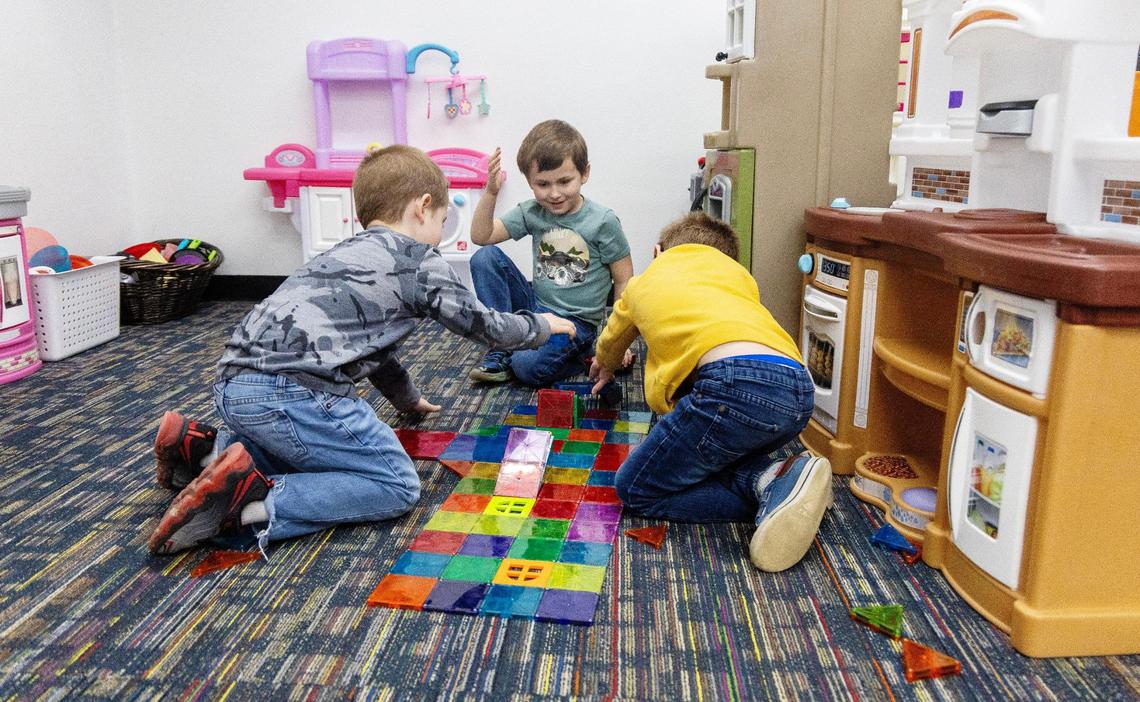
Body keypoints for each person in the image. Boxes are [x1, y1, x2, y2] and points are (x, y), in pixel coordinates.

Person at [147, 145, 577, 556]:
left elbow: (372, 349)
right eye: (443, 219)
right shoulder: (418, 262)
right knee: (394, 484)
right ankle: (250, 507)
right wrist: (541, 325)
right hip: (296, 394)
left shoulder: (341, 253)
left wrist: (406, 399)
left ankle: (208, 450)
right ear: (423, 207)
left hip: (232, 386)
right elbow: (485, 326)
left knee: (306, 445)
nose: (440, 233)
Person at [588, 212, 832, 573]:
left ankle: (770, 489)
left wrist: (605, 363)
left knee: (636, 487)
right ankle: (782, 479)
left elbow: (612, 339)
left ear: (658, 253)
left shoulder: (644, 282)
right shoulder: (739, 280)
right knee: (717, 450)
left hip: (731, 386)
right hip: (797, 390)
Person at [467, 119, 634, 386]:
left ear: (584, 173)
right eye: (543, 184)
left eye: (565, 181)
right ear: (530, 182)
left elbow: (624, 279)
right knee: (484, 257)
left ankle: (582, 352)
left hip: (576, 322)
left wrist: (616, 341)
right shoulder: (532, 211)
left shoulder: (603, 221)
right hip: (535, 306)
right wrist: (490, 192)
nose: (554, 193)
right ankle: (500, 346)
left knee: (525, 368)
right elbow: (481, 237)